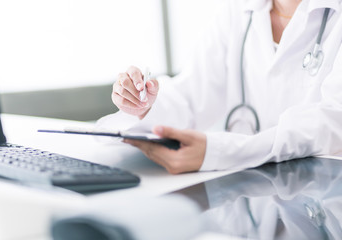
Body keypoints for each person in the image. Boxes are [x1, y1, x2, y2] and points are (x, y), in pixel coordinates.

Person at [99, 0, 342, 174]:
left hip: (321, 195)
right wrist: (144, 104)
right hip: (249, 195)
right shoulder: (238, 10)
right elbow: (193, 94)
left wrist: (226, 152)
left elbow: (330, 121)